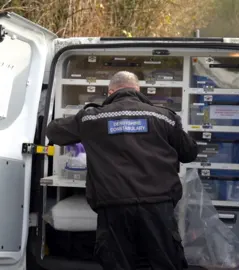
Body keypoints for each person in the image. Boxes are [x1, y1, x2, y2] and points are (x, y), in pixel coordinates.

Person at [46, 71, 198, 270]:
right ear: (137, 89)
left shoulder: (91, 119)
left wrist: (88, 118)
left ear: (110, 91)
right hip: (158, 206)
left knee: (118, 264)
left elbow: (53, 131)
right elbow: (189, 152)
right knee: (166, 262)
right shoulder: (164, 117)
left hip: (113, 207)